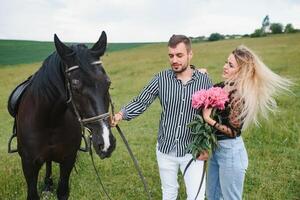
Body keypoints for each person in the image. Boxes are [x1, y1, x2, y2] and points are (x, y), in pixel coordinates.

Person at [111, 34, 212, 200]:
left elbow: (211, 115)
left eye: (179, 55)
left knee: (196, 197)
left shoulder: (204, 81)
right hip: (166, 149)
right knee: (169, 193)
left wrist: (207, 145)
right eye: (171, 56)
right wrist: (121, 114)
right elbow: (141, 101)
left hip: (193, 150)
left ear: (190, 54)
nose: (174, 60)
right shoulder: (160, 79)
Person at [202, 45, 292, 200]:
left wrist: (209, 120)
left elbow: (234, 131)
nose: (225, 67)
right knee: (212, 196)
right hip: (216, 150)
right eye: (226, 62)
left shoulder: (240, 96)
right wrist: (200, 75)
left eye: (230, 65)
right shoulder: (222, 87)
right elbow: (206, 93)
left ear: (241, 71)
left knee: (230, 197)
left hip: (230, 153)